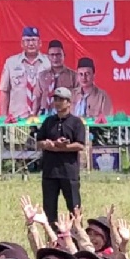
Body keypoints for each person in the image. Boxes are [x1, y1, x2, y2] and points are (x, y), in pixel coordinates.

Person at [35, 87, 85, 229]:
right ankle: (52, 238)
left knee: (74, 207)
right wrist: (48, 144)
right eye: (55, 99)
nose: (57, 103)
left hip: (69, 172)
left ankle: (77, 237)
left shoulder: (76, 122)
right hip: (50, 171)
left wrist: (62, 147)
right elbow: (39, 142)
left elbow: (80, 145)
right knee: (49, 209)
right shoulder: (49, 121)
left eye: (61, 100)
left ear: (69, 103)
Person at [0, 26, 49, 118]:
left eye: (34, 40)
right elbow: (4, 91)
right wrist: (3, 117)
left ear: (40, 43)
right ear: (22, 43)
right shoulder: (11, 63)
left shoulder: (49, 62)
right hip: (17, 119)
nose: (31, 44)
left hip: (44, 119)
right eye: (27, 40)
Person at [35, 40, 77, 116]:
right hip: (46, 114)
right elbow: (37, 98)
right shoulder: (42, 76)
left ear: (64, 55)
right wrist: (34, 115)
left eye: (58, 55)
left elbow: (79, 98)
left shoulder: (74, 76)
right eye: (52, 55)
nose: (55, 58)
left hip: (66, 114)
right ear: (48, 56)